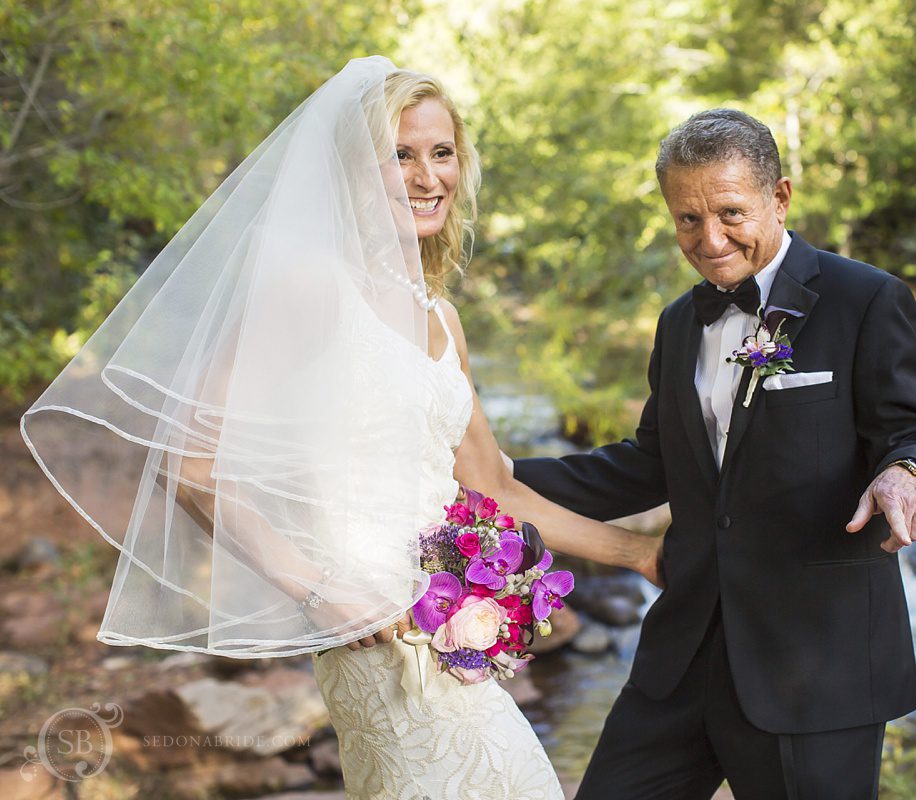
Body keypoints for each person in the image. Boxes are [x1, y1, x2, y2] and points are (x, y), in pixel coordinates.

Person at [20, 57, 660, 800]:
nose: (429, 177)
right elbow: (188, 463)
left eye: (442, 152)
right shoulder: (310, 288)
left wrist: (641, 553)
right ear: (352, 173)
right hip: (371, 643)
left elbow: (492, 486)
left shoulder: (440, 316)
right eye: (401, 154)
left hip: (451, 644)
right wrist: (316, 591)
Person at [514, 108, 916, 799]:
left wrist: (909, 478)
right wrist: (496, 478)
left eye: (729, 212)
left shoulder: (866, 299)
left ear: (779, 197)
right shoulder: (677, 323)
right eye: (687, 219)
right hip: (681, 657)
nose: (710, 239)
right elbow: (652, 465)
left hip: (814, 667)